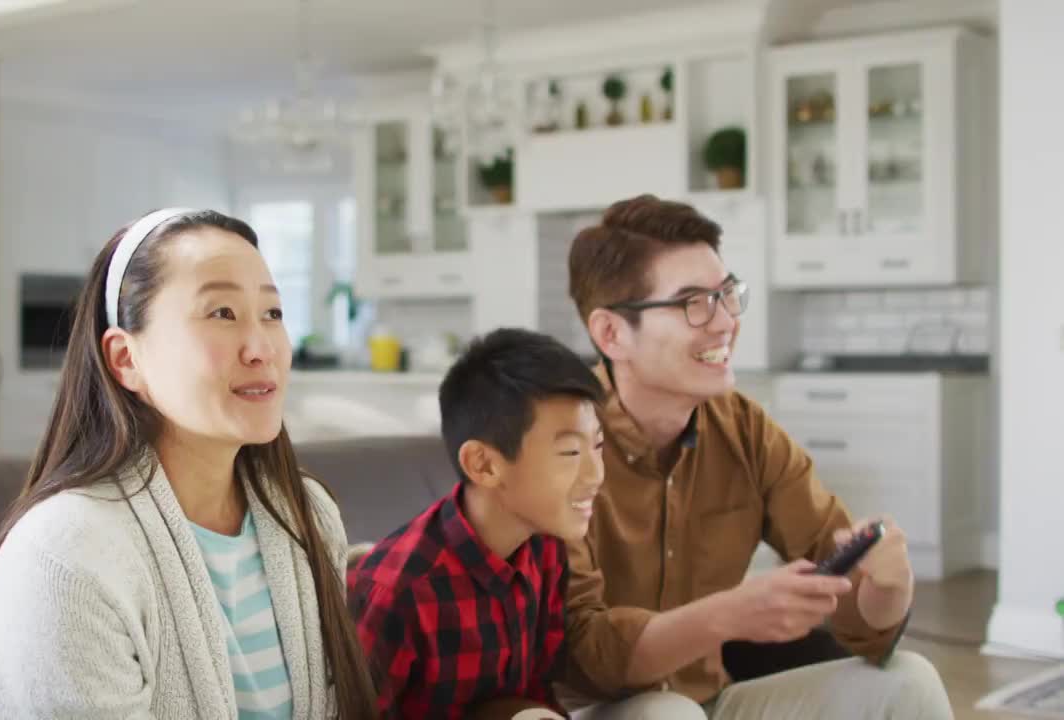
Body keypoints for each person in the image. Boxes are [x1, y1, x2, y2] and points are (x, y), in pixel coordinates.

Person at [0, 208, 377, 719]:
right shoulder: (65, 557)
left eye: (272, 313)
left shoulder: (307, 515)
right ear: (126, 359)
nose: (261, 348)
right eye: (222, 313)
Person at [558, 194, 952, 718]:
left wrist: (889, 587)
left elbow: (852, 602)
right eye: (692, 303)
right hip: (592, 710)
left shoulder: (743, 430)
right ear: (611, 333)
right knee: (664, 714)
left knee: (909, 681)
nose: (724, 323)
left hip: (710, 701)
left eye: (726, 295)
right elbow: (586, 655)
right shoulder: (559, 443)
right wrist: (723, 616)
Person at [349, 327, 606, 719]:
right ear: (483, 465)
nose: (595, 475)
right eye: (570, 451)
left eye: (598, 445)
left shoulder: (546, 550)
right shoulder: (398, 591)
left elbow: (537, 696)